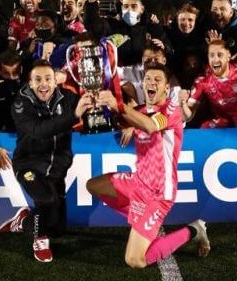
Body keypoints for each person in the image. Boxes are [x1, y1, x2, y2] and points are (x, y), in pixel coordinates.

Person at [86, 62, 210, 269]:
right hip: (137, 182)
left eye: (157, 80)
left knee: (135, 261)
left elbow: (151, 126)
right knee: (93, 185)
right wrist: (102, 103)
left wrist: (119, 106)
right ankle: (140, 218)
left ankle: (195, 230)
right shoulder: (141, 110)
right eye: (148, 79)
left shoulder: (171, 109)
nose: (151, 83)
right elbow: (132, 118)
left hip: (158, 193)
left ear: (166, 88)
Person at [0, 60, 85, 263]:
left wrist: (99, 105)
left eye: (47, 79)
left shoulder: (68, 98)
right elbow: (39, 131)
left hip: (56, 169)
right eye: (38, 80)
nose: (43, 84)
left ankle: (23, 220)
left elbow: (88, 118)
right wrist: (74, 115)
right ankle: (39, 239)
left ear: (56, 81)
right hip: (28, 165)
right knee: (45, 201)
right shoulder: (20, 103)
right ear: (30, 82)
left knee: (57, 228)